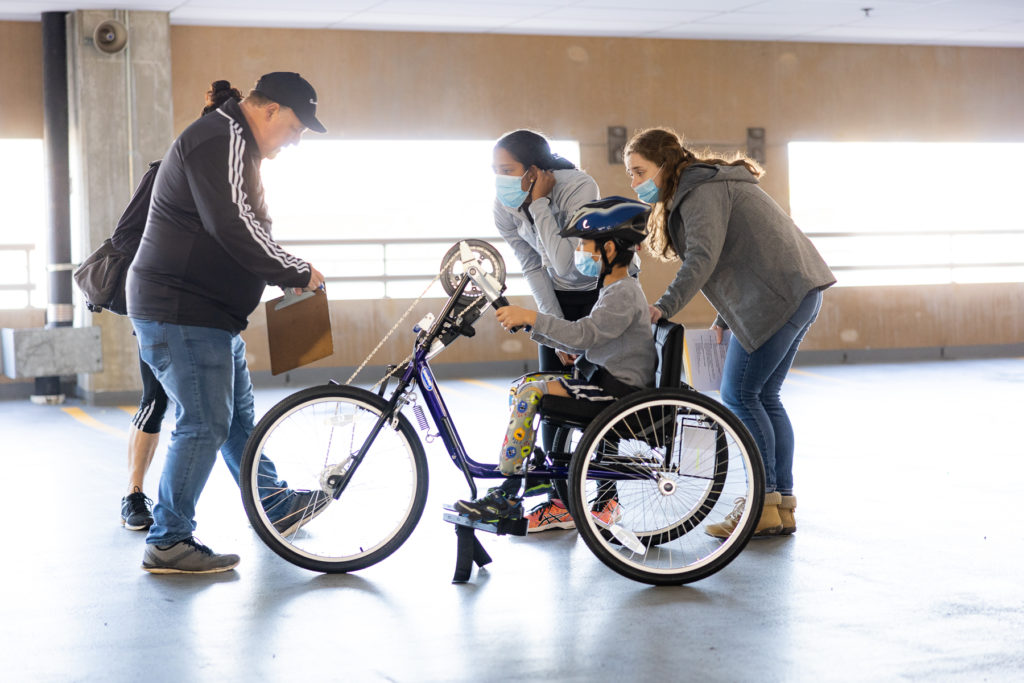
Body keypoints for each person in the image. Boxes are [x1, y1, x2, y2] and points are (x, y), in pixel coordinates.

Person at [127, 72, 329, 573]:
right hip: (182, 311)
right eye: (296, 127)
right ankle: (169, 539)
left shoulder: (234, 142)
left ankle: (273, 503)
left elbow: (247, 223)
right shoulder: (223, 138)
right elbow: (231, 223)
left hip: (207, 315)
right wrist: (293, 270)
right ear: (269, 111)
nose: (297, 139)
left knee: (238, 422)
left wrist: (284, 270)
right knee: (204, 423)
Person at [623, 127, 835, 538]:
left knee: (740, 395)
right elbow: (736, 255)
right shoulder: (706, 183)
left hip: (775, 297)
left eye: (638, 171)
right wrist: (725, 316)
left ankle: (762, 504)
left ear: (665, 166)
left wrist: (663, 305)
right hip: (796, 291)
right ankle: (779, 505)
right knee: (764, 397)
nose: (634, 183)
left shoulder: (700, 191)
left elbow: (703, 257)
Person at [456, 197, 658, 528]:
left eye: (584, 244)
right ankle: (530, 473)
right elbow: (593, 338)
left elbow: (584, 334)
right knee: (524, 387)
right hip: (603, 379)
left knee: (529, 393)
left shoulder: (622, 292)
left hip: (615, 393)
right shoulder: (613, 288)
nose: (580, 251)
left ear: (608, 250)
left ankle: (509, 489)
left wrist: (532, 316)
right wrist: (536, 329)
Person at [119, 80, 243, 532]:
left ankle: (268, 498)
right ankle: (134, 494)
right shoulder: (171, 168)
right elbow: (125, 237)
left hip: (209, 312)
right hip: (165, 307)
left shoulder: (234, 175)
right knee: (156, 400)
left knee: (221, 413)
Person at [491, 130, 608, 530]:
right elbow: (533, 267)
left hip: (597, 294)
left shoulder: (579, 188)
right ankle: (557, 502)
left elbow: (567, 266)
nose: (499, 180)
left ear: (535, 171)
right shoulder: (503, 207)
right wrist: (554, 330)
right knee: (551, 398)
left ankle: (607, 499)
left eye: (507, 170)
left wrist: (540, 202)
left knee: (602, 401)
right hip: (553, 302)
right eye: (495, 171)